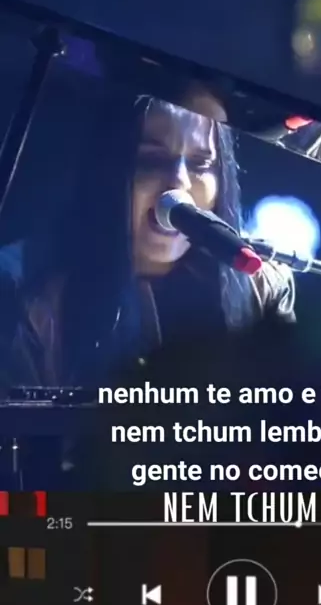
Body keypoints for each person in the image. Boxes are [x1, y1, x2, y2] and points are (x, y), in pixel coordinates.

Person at [0, 81, 295, 390]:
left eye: (201, 164)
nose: (179, 182)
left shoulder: (263, 286)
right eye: (152, 161)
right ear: (107, 171)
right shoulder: (28, 297)